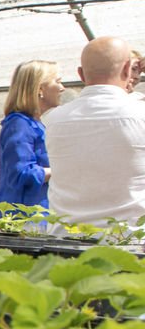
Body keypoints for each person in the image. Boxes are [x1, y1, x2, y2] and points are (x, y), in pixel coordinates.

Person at [44, 36, 145, 228]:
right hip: (129, 246)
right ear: (126, 69)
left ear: (81, 74)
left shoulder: (53, 120)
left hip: (64, 243)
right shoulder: (140, 115)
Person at [0, 60, 64, 207]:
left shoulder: (37, 124)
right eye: (57, 82)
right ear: (40, 88)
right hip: (26, 217)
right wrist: (63, 170)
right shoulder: (19, 125)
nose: (62, 88)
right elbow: (21, 173)